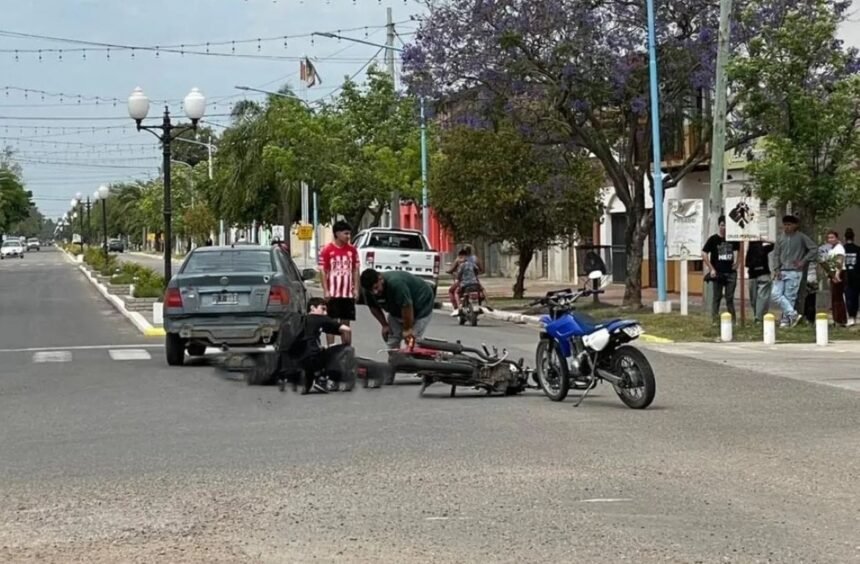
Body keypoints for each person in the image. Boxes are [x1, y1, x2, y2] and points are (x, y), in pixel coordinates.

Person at [286, 297, 353, 393]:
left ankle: (308, 381)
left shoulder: (300, 320)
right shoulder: (319, 318)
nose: (325, 313)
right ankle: (323, 378)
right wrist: (347, 344)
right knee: (344, 350)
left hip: (295, 359)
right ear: (312, 308)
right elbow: (346, 329)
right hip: (313, 357)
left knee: (313, 353)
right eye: (323, 309)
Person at [361, 268, 435, 349]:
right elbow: (373, 307)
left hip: (421, 304)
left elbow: (406, 306)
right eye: (371, 290)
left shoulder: (396, 283)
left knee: (411, 341)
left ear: (380, 279)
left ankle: (412, 354)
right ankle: (395, 356)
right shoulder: (367, 290)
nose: (375, 292)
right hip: (397, 308)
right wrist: (384, 325)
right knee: (392, 339)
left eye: (376, 287)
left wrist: (407, 329)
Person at [772, 215, 817, 328]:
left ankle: (786, 321)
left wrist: (803, 261)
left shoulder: (801, 237)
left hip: (794, 271)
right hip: (781, 270)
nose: (787, 227)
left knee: (789, 296)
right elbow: (776, 254)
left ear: (795, 225)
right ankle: (793, 314)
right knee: (775, 294)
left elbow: (814, 249)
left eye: (789, 225)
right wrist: (776, 269)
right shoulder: (780, 238)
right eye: (785, 225)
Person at [319, 221, 359, 346]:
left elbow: (355, 270)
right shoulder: (327, 250)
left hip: (347, 293)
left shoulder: (352, 250)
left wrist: (356, 289)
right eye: (345, 233)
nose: (348, 236)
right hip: (333, 293)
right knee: (331, 321)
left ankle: (345, 348)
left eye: (349, 234)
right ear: (337, 233)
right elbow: (323, 271)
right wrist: (326, 290)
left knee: (345, 322)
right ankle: (330, 347)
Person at [702, 216, 740, 324]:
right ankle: (715, 320)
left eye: (726, 225)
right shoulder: (713, 239)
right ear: (719, 226)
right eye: (722, 225)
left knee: (729, 298)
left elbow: (740, 249)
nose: (724, 227)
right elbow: (704, 253)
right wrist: (711, 268)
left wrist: (737, 263)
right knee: (717, 297)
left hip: (731, 273)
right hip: (718, 273)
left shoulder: (732, 238)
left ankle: (733, 321)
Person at [745, 239, 774, 323]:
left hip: (752, 275)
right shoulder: (764, 248)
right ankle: (759, 317)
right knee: (762, 297)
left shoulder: (750, 251)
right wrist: (765, 240)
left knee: (754, 298)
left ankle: (757, 316)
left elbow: (747, 264)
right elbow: (774, 244)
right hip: (763, 273)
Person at [823, 230, 847, 326]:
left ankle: (840, 320)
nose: (830, 239)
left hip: (838, 273)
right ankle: (836, 318)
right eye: (829, 238)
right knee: (834, 297)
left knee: (837, 297)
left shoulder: (839, 248)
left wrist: (837, 275)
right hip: (832, 273)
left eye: (832, 237)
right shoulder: (831, 248)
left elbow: (839, 262)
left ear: (837, 238)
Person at [843, 228, 860, 326]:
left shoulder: (842, 249)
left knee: (848, 297)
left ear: (844, 238)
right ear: (853, 237)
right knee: (855, 297)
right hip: (857, 276)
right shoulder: (858, 249)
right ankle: (854, 315)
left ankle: (850, 316)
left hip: (846, 276)